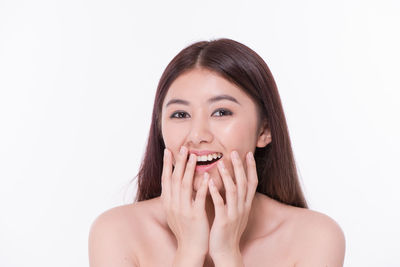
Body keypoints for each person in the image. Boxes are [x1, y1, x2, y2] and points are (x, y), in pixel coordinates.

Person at [88, 38, 346, 267]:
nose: (198, 134)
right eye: (180, 114)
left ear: (264, 130)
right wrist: (189, 252)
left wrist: (227, 254)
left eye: (221, 112)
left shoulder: (315, 237)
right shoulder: (116, 232)